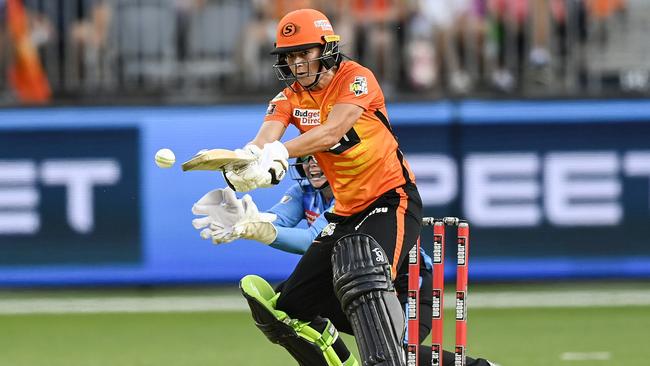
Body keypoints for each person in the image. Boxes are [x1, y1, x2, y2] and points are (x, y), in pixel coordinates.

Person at [193, 156, 496, 365]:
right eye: (308, 158)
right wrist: (246, 218)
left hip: (405, 282)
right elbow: (279, 219)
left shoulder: (353, 191)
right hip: (349, 280)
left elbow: (313, 239)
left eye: (319, 158)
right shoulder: (302, 191)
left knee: (396, 355)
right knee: (290, 306)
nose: (313, 165)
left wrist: (257, 229)